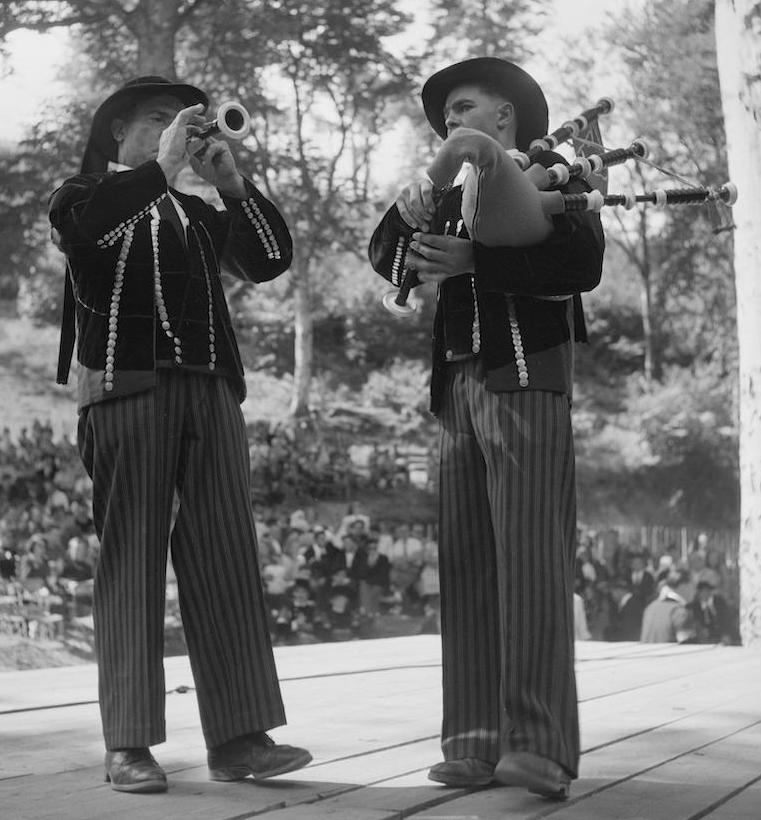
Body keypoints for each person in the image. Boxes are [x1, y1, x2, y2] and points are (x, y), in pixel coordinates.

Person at [48, 76, 310, 794]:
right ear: (117, 135)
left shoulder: (196, 212)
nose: (182, 128)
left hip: (212, 391)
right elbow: (83, 234)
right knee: (131, 562)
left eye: (185, 122)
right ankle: (127, 743)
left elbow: (267, 260)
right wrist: (161, 167)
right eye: (161, 120)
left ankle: (240, 739)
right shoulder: (80, 196)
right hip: (126, 390)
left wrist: (231, 180)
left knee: (226, 556)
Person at [368, 57, 604, 800]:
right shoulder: (440, 188)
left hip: (525, 373)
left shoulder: (557, 167)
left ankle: (538, 748)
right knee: (466, 563)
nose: (448, 122)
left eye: (462, 106)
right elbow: (385, 260)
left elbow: (581, 260)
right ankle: (471, 742)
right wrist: (407, 213)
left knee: (531, 562)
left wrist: (476, 262)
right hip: (456, 386)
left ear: (505, 116)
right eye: (442, 115)